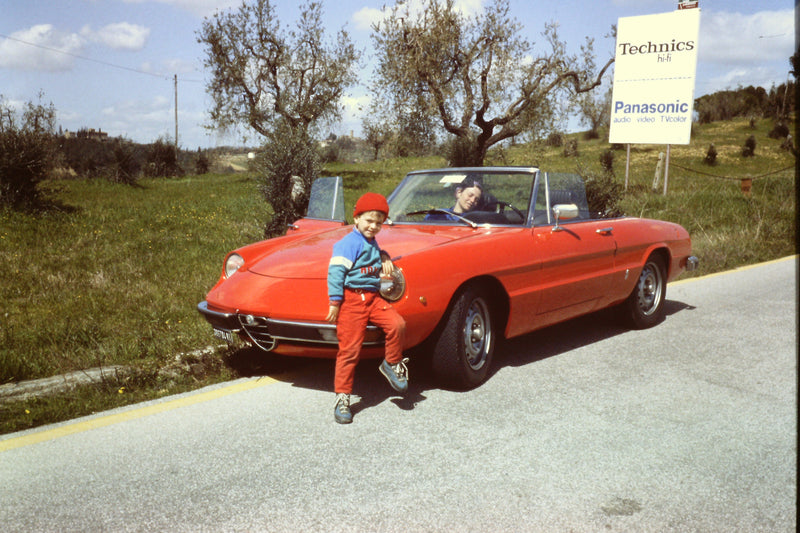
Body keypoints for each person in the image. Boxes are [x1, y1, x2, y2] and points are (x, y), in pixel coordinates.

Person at [326, 192, 409, 424]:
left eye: (379, 223)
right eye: (369, 220)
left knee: (397, 324)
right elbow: (335, 273)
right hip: (352, 301)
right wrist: (335, 303)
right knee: (349, 352)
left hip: (373, 298)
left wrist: (384, 255)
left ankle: (391, 363)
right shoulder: (347, 244)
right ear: (356, 218)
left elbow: (373, 255)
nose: (373, 226)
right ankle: (343, 397)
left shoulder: (372, 241)